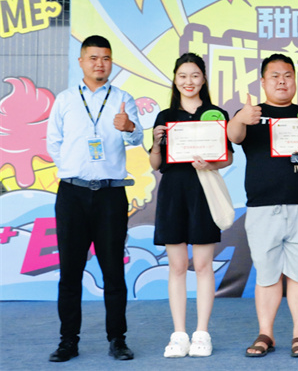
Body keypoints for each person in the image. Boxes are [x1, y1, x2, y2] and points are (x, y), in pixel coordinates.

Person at [228, 53, 298, 358]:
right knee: (267, 274)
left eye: (288, 75)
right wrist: (240, 118)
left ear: (295, 80)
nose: (282, 81)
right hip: (262, 207)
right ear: (263, 82)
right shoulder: (251, 115)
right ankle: (266, 333)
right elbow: (233, 135)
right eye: (274, 76)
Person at [46, 35, 143, 362]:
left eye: (106, 58)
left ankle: (118, 339)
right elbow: (54, 142)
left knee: (113, 271)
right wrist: (74, 169)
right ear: (81, 62)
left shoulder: (122, 98)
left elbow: (137, 138)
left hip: (111, 195)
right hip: (72, 194)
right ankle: (67, 341)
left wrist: (129, 125)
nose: (100, 63)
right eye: (93, 58)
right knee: (70, 273)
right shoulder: (65, 100)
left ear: (111, 61)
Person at [149, 53, 233, 358]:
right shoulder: (165, 116)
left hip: (203, 192)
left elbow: (227, 157)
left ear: (204, 79)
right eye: (183, 76)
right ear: (175, 80)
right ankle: (179, 334)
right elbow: (155, 164)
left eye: (195, 75)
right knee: (176, 267)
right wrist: (156, 142)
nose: (189, 81)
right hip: (173, 194)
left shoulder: (216, 114)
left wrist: (211, 164)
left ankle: (201, 334)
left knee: (203, 265)